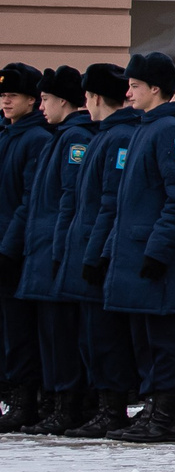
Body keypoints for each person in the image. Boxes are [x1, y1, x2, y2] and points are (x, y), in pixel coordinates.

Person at [93, 51, 175, 443]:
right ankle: (152, 409)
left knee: (161, 339)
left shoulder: (170, 130)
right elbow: (125, 204)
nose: (128, 91)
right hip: (136, 252)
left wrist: (158, 250)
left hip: (157, 256)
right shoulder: (146, 127)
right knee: (144, 337)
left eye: (135, 85)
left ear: (156, 89)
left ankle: (164, 416)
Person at [65, 62, 140, 437]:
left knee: (105, 338)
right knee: (92, 338)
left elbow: (109, 204)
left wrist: (95, 254)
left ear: (94, 97)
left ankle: (112, 410)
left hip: (100, 253)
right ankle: (103, 406)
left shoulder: (117, 137)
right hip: (90, 247)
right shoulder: (105, 134)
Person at [17, 69, 87, 433]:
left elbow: (68, 199)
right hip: (44, 249)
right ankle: (54, 402)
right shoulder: (59, 136)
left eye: (46, 100)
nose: (41, 106)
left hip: (54, 251)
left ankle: (66, 404)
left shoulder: (74, 137)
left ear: (63, 101)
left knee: (60, 335)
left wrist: (58, 249)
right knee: (48, 334)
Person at [0, 61, 54, 431]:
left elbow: (28, 200)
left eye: (12, 95)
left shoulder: (36, 139)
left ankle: (24, 399)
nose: (5, 101)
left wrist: (8, 248)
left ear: (32, 100)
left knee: (20, 330)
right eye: (2, 95)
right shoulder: (7, 134)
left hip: (15, 252)